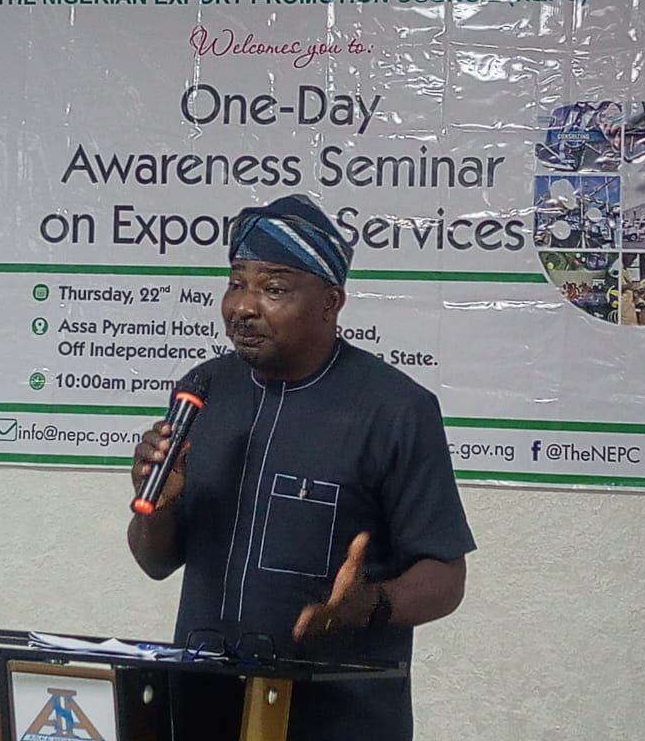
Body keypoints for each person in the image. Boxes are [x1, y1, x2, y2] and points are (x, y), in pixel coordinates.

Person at [128, 193, 475, 741]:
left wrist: (370, 606)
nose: (243, 306)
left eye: (273, 289)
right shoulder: (204, 391)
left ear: (330, 302)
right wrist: (157, 506)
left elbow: (446, 579)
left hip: (339, 719)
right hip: (203, 709)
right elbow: (156, 561)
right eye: (236, 283)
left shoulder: (395, 410)